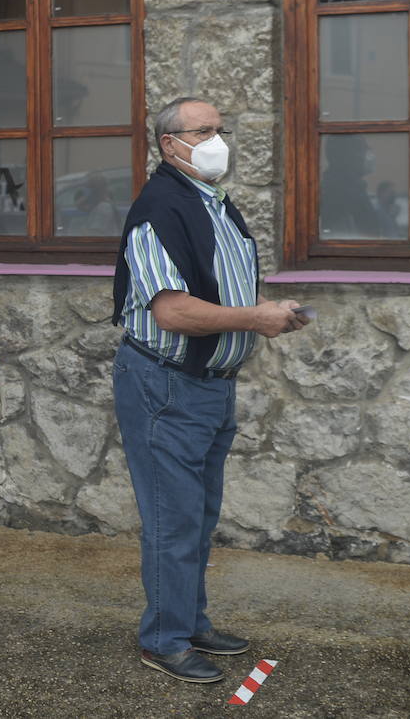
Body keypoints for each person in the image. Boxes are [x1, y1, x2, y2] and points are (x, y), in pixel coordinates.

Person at [111, 96, 307, 683]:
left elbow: (226, 289)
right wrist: (256, 319)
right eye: (205, 131)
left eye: (221, 128)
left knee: (197, 515)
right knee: (172, 519)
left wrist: (269, 313)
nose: (219, 140)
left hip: (208, 386)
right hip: (165, 385)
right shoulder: (158, 209)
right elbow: (170, 311)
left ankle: (189, 622)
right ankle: (164, 639)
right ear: (171, 144)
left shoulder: (214, 203)